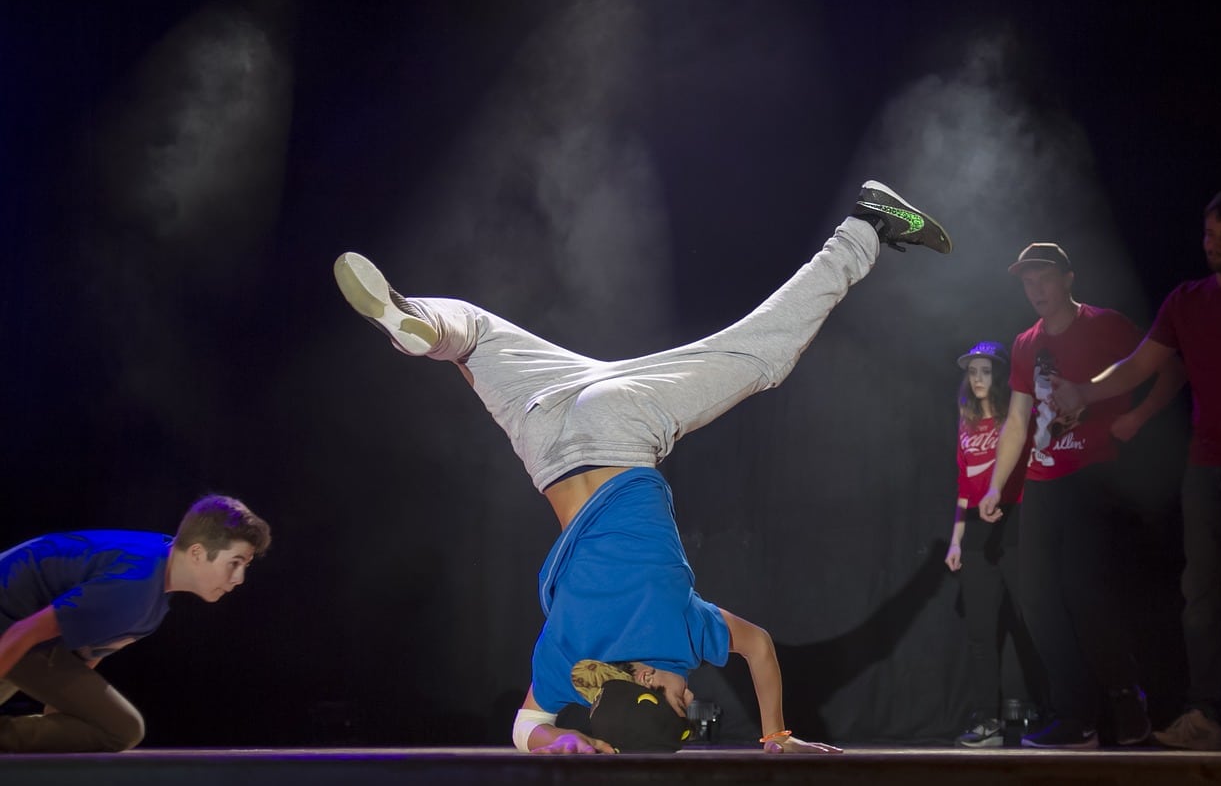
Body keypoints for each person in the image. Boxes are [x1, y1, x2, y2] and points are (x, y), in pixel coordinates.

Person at [333, 180, 951, 753]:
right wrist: (567, 742)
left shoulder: (680, 637)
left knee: (762, 354)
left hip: (620, 428)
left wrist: (776, 735)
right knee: (475, 338)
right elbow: (526, 727)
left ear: (654, 688)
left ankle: (866, 225)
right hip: (545, 437)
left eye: (683, 702)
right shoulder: (569, 665)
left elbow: (759, 647)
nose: (693, 693)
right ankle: (427, 324)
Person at [1050, 186, 1221, 751]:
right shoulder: (1186, 300)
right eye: (1210, 234)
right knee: (1199, 593)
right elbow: (1137, 366)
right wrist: (1083, 389)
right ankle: (1207, 717)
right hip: (1206, 462)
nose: (1216, 245)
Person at [976, 242, 1183, 749]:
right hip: (1045, 483)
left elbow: (1170, 366)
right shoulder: (1026, 343)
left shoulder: (1106, 325)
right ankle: (1074, 717)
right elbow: (1018, 421)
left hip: (1095, 475)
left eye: (1043, 278)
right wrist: (996, 484)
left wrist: (1139, 415)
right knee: (1038, 602)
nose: (1035, 290)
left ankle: (1125, 701)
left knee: (1085, 593)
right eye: (1027, 282)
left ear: (1067, 278)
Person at [0, 494, 272, 753]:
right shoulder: (135, 584)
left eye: (245, 565)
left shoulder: (154, 586)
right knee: (122, 729)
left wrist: (65, 731)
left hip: (21, 633)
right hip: (13, 626)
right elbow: (26, 630)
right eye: (235, 563)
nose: (239, 578)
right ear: (198, 553)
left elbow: (84, 659)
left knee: (102, 721)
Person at [946, 340, 1039, 748]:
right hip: (978, 538)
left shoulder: (1016, 418)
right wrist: (955, 541)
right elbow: (964, 487)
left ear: (999, 375)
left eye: (986, 370)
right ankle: (988, 722)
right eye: (972, 371)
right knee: (981, 633)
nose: (978, 378)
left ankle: (1053, 712)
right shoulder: (965, 423)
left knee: (1032, 624)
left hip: (1015, 525)